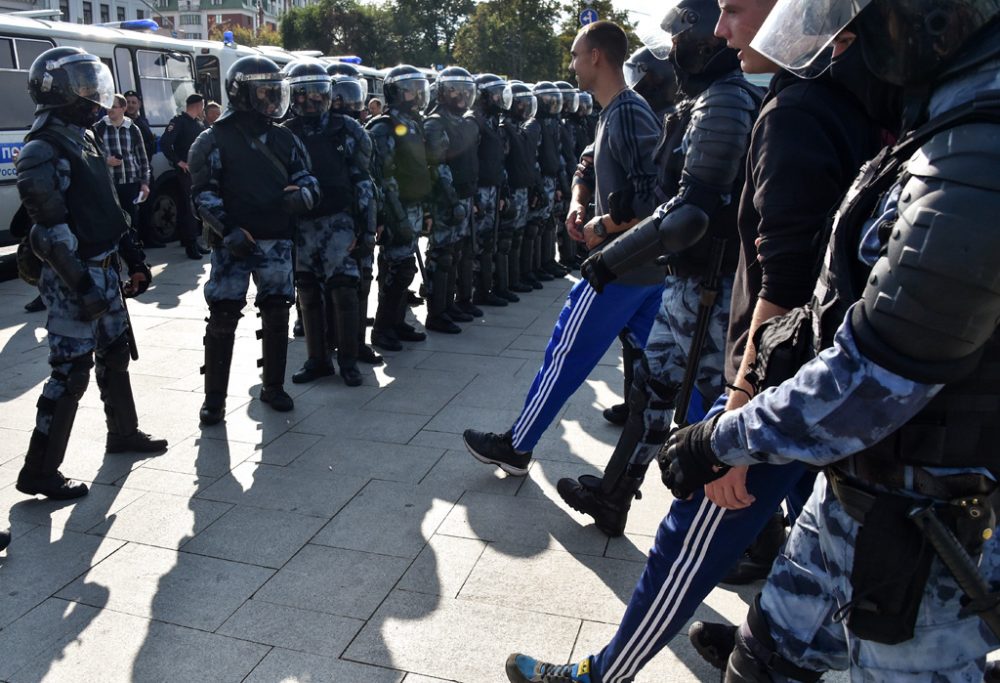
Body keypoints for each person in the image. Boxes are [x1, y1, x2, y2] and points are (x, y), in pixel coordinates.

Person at [503, 0, 897, 679]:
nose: (717, 30)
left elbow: (784, 279)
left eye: (736, 11)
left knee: (686, 537)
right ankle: (758, 642)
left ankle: (602, 673)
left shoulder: (797, 108)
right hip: (830, 383)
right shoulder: (854, 97)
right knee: (817, 570)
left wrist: (742, 418)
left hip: (787, 378)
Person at [659, 0, 1000, 680]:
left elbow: (875, 375)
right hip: (859, 504)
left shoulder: (979, 153)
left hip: (926, 542)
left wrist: (722, 436)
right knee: (760, 661)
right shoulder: (949, 124)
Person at [557, 0, 763, 538]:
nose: (673, 49)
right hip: (688, 281)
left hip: (714, 287)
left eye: (681, 37)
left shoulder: (725, 103)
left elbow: (689, 213)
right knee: (651, 387)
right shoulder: (703, 101)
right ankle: (613, 495)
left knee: (721, 409)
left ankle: (755, 535)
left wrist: (612, 256)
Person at [463, 21, 663, 477]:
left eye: (575, 55)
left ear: (596, 56)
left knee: (563, 356)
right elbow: (589, 161)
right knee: (665, 373)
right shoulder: (613, 111)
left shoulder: (630, 111)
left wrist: (604, 224)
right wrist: (578, 201)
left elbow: (653, 198)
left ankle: (516, 447)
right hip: (639, 268)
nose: (571, 65)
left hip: (620, 268)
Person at [14, 46, 166, 502]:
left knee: (115, 352)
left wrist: (134, 257)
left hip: (103, 268)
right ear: (58, 91)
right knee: (71, 371)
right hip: (72, 278)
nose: (92, 95)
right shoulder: (41, 148)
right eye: (81, 85)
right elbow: (49, 232)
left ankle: (123, 432)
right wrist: (82, 287)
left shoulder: (84, 137)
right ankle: (38, 470)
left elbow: (108, 207)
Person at [188, 55, 321, 424]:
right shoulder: (212, 139)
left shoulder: (284, 138)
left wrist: (304, 196)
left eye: (273, 90)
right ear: (242, 93)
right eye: (263, 91)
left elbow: (308, 178)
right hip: (233, 242)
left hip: (276, 239)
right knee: (223, 316)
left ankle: (273, 386)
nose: (270, 98)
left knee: (278, 311)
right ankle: (214, 398)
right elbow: (202, 194)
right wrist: (228, 229)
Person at [282, 61, 368, 387]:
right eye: (303, 94)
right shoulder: (285, 133)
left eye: (318, 93)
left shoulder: (348, 128)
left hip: (340, 220)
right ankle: (317, 360)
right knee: (307, 291)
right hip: (303, 224)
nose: (311, 100)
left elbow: (363, 180)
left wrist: (366, 228)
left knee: (344, 289)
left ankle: (348, 361)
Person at [366, 65, 433, 352]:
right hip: (396, 208)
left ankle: (397, 321)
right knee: (398, 269)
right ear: (395, 92)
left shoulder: (413, 123)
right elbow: (384, 176)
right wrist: (395, 216)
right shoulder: (383, 127)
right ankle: (382, 329)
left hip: (413, 204)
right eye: (410, 88)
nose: (416, 94)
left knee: (404, 271)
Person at [325, 63, 383, 366]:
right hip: (335, 221)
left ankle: (355, 343)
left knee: (362, 281)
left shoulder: (360, 132)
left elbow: (374, 179)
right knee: (336, 287)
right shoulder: (320, 132)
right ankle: (332, 345)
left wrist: (377, 219)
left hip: (361, 215)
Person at [423, 66, 480, 334]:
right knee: (441, 256)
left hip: (463, 196)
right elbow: (438, 167)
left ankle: (449, 306)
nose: (462, 96)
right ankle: (436, 313)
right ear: (442, 93)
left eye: (466, 91)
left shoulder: (462, 121)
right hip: (445, 200)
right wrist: (452, 201)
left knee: (456, 253)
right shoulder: (435, 122)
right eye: (456, 90)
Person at [469, 74, 513, 309]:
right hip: (480, 191)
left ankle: (487, 289)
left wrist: (503, 192)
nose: (499, 97)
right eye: (495, 93)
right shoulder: (475, 121)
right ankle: (475, 292)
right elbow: (471, 163)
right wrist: (475, 196)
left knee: (489, 243)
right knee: (476, 245)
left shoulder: (494, 122)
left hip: (494, 189)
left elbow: (499, 162)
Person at [495, 82, 539, 301]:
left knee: (518, 236)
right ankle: (502, 284)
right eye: (521, 103)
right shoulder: (505, 128)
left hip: (522, 189)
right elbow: (501, 163)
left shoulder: (521, 128)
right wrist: (504, 194)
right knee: (505, 239)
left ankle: (515, 278)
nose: (524, 107)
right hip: (510, 190)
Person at [93, 93, 151, 238]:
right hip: (108, 185)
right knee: (111, 224)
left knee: (132, 223)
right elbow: (89, 156)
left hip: (130, 183)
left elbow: (142, 158)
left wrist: (144, 184)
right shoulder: (98, 128)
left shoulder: (133, 129)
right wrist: (106, 161)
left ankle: (134, 256)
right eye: (107, 106)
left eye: (114, 107)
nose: (109, 109)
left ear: (123, 108)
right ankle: (115, 258)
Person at [160, 93, 208, 260]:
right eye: (202, 105)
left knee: (194, 207)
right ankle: (190, 245)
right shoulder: (179, 121)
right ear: (198, 105)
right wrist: (179, 162)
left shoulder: (198, 123)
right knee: (188, 209)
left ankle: (194, 241)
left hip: (198, 172)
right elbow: (165, 143)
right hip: (185, 173)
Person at [122, 89, 161, 248]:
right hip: (129, 173)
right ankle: (134, 242)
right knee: (131, 210)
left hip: (144, 171)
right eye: (128, 102)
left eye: (133, 102)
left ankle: (148, 239)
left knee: (147, 206)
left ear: (139, 104)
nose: (130, 106)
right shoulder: (121, 123)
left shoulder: (142, 121)